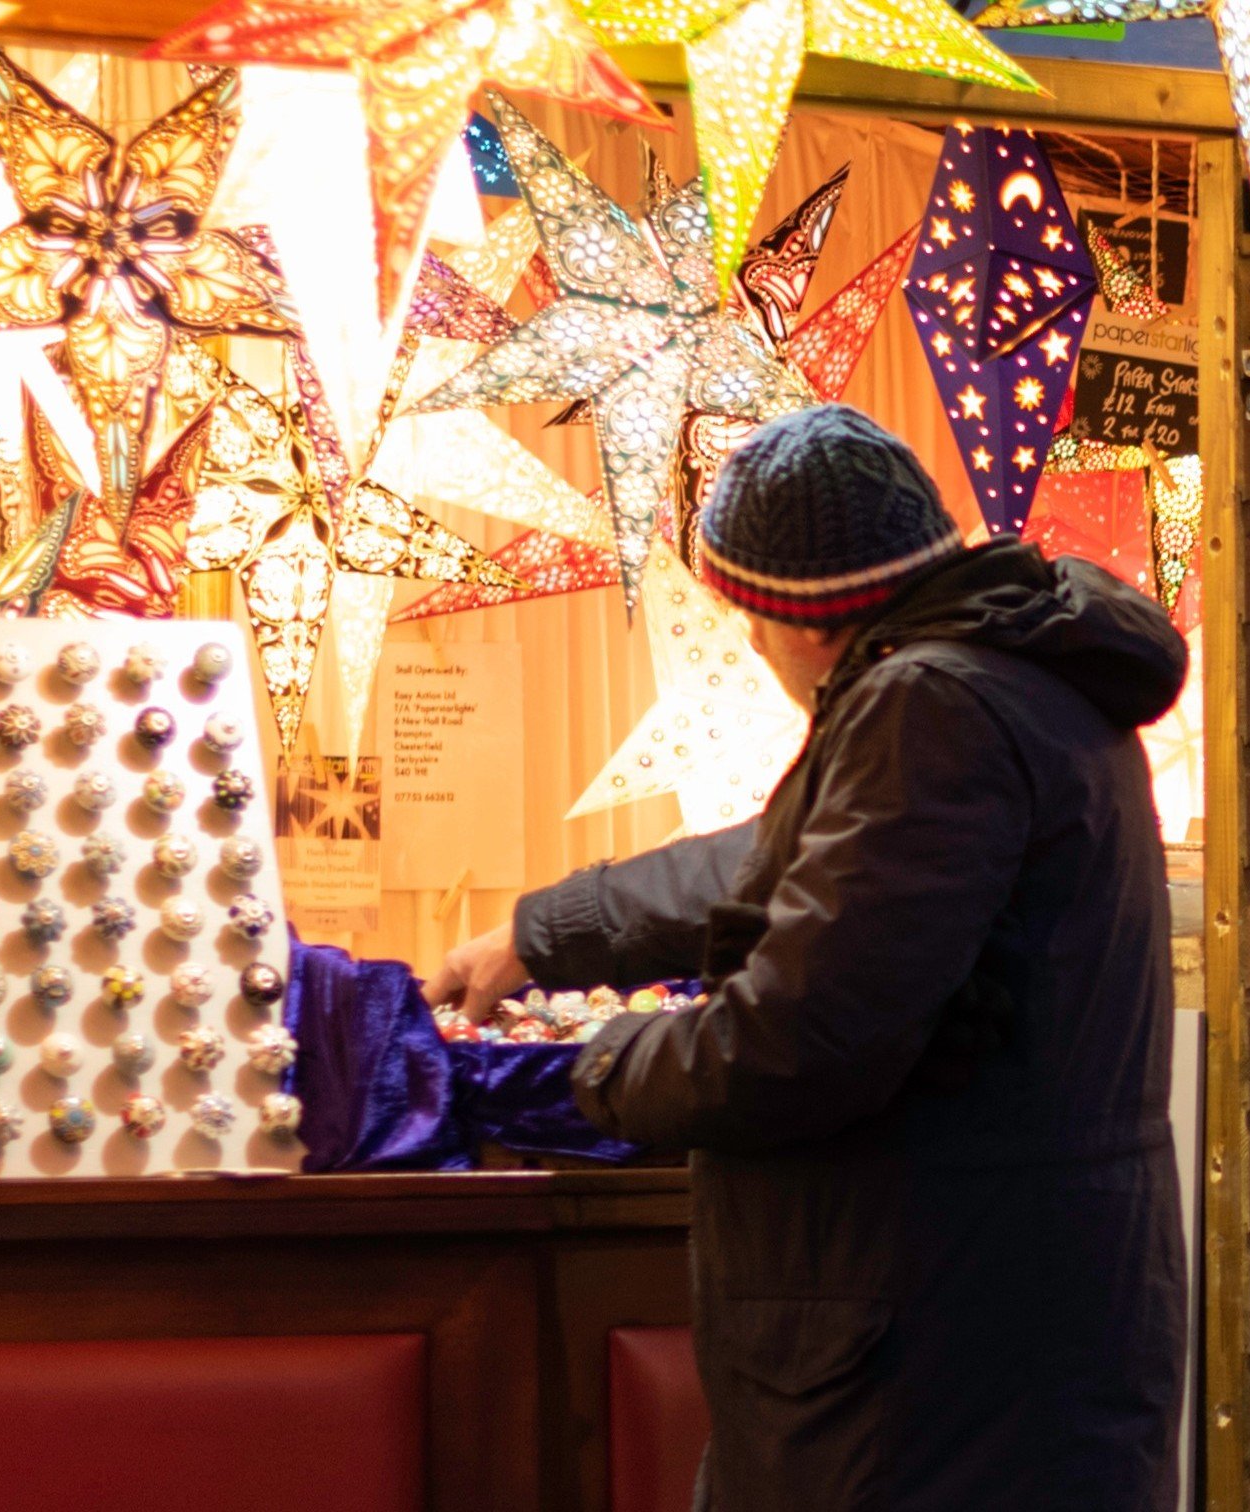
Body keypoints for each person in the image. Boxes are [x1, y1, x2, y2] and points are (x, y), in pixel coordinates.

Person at [418, 406, 1190, 1510]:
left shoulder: (932, 709)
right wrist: (545, 935)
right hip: (998, 1341)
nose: (743, 642)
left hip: (933, 1370)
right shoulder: (1008, 676)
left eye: (747, 614)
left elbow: (797, 1046)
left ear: (808, 620)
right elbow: (785, 859)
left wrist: (585, 1066)